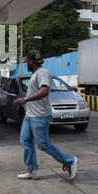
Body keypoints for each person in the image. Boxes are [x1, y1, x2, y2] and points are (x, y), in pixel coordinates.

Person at [14, 50, 79, 181]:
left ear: (31, 62)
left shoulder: (43, 72)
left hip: (40, 116)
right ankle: (33, 170)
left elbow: (44, 91)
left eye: (27, 61)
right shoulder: (35, 74)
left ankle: (70, 161)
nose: (26, 63)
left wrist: (25, 99)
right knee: (25, 141)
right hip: (30, 115)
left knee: (43, 144)